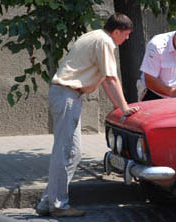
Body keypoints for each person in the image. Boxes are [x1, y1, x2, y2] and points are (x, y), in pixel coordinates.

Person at [35, 13, 140, 217]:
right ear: (116, 31)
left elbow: (106, 80)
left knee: (73, 153)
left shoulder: (94, 36)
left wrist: (120, 106)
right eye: (126, 35)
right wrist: (125, 109)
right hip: (67, 94)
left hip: (68, 95)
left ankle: (48, 202)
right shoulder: (105, 41)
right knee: (64, 152)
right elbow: (111, 80)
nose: (126, 39)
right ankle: (57, 206)